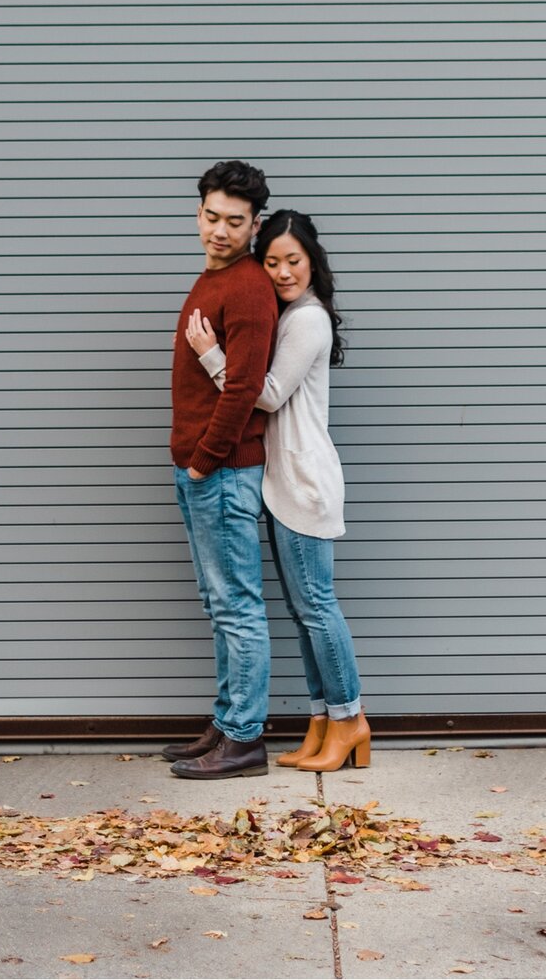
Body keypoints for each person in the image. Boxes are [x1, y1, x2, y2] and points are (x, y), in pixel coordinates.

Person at [187, 209, 368, 772]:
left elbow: (264, 395)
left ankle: (349, 720)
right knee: (302, 607)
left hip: (305, 480)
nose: (284, 271)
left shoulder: (308, 320)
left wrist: (211, 354)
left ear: (313, 262)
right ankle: (322, 724)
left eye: (295, 260)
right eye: (273, 262)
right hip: (287, 480)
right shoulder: (291, 315)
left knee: (316, 605)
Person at [160, 159, 280, 780]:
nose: (220, 231)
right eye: (212, 217)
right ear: (198, 214)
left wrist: (206, 460)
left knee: (237, 605)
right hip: (200, 468)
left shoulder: (249, 285)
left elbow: (244, 389)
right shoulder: (211, 277)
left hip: (224, 472)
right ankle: (226, 721)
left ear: (254, 224)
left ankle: (244, 739)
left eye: (235, 222)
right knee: (220, 603)